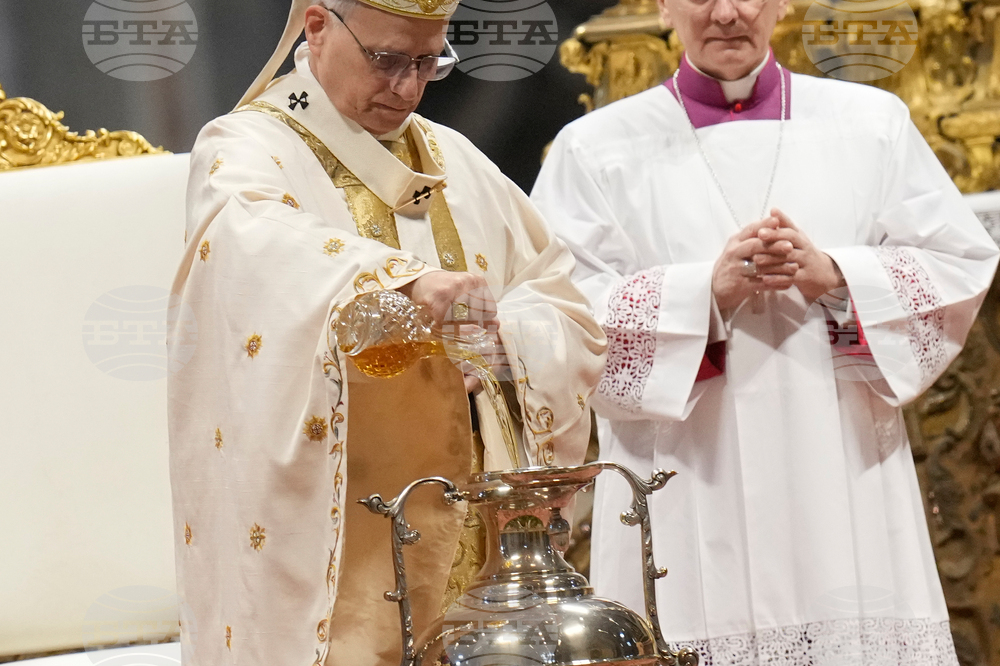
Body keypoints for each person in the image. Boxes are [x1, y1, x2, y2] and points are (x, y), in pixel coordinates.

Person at [530, 0, 1000, 661]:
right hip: (687, 471)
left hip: (838, 460)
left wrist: (836, 274)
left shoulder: (870, 123)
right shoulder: (593, 148)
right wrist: (704, 294)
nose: (727, 13)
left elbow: (957, 263)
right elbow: (559, 311)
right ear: (663, 6)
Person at [167, 0, 606, 664]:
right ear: (318, 27)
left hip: (473, 532)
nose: (406, 87)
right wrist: (405, 282)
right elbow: (253, 245)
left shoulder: (455, 158)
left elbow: (560, 299)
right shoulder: (246, 147)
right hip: (335, 529)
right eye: (387, 59)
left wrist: (503, 344)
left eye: (429, 63)